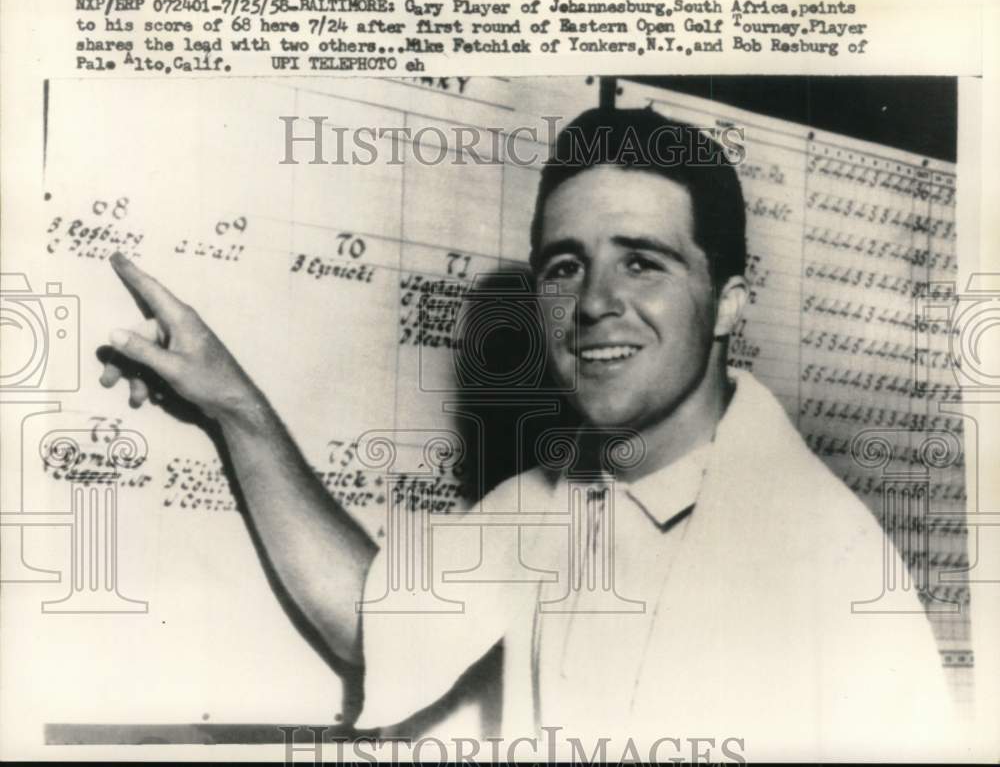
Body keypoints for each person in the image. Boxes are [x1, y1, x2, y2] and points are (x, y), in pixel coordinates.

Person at [101, 107, 956, 760]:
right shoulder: (560, 496)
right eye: (565, 265)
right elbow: (379, 618)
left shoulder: (832, 563)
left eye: (643, 261)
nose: (593, 302)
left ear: (730, 299)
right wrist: (235, 406)